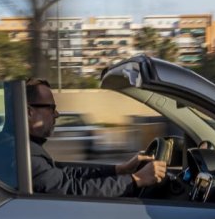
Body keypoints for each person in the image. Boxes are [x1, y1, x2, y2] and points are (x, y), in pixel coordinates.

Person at [26, 79, 166, 196]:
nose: (56, 114)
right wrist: (136, 179)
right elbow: (71, 190)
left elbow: (66, 173)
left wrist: (120, 169)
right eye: (51, 107)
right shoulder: (26, 156)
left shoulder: (28, 149)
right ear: (29, 112)